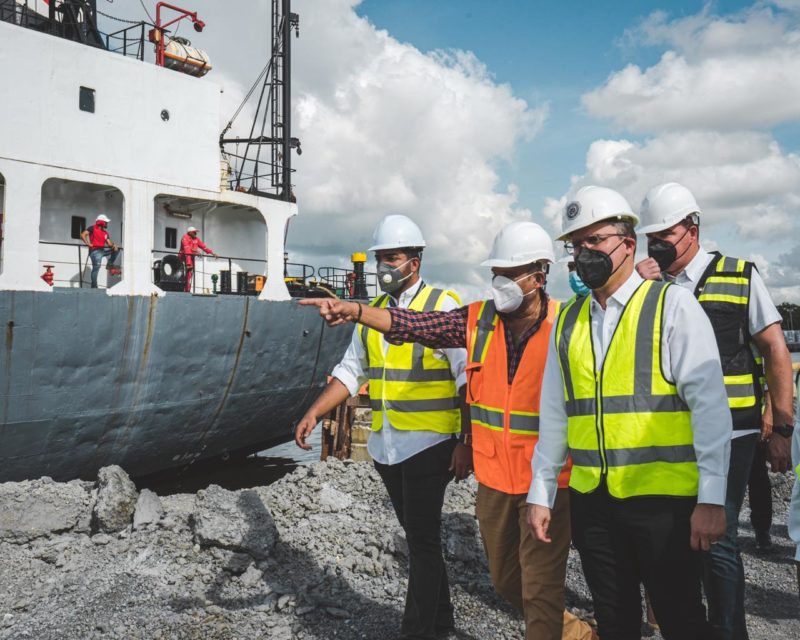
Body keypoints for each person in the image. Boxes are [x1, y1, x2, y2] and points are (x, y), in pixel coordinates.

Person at [301, 221, 595, 640]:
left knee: (540, 584)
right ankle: (578, 633)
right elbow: (414, 328)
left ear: (539, 275)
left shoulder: (565, 325)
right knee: (506, 582)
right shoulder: (477, 321)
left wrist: (461, 442)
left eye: (513, 274)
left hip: (542, 477)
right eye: (498, 273)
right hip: (490, 478)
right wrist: (357, 311)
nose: (503, 282)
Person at [528, 185, 732, 640]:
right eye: (575, 245)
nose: (583, 253)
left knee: (681, 619)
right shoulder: (568, 320)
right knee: (615, 619)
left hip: (664, 504)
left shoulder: (672, 306)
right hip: (593, 503)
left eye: (594, 241)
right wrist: (540, 492)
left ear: (628, 242)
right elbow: (556, 414)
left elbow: (710, 410)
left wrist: (712, 498)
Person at [294, 214, 469, 640]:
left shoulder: (443, 305)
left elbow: (467, 377)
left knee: (423, 543)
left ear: (415, 261)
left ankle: (417, 631)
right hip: (388, 448)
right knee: (420, 540)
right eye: (380, 259)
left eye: (392, 258)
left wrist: (467, 440)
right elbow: (350, 372)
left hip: (431, 444)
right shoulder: (377, 316)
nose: (383, 268)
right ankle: (441, 622)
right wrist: (314, 413)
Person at [635, 182, 794, 640]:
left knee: (718, 539)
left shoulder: (739, 275)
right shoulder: (649, 285)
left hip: (734, 431)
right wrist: (639, 289)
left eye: (666, 232)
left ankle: (728, 632)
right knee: (674, 538)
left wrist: (782, 424)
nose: (658, 243)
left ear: (692, 228)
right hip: (668, 431)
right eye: (651, 236)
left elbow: (775, 349)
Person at [80, 214, 120, 289]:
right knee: (96, 268)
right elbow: (83, 235)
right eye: (106, 222)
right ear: (102, 222)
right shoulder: (92, 228)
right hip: (95, 252)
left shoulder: (105, 233)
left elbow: (109, 243)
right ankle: (94, 287)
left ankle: (109, 264)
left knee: (117, 250)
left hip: (102, 251)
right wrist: (88, 244)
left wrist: (114, 245)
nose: (107, 224)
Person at [179, 226, 217, 292]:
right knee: (182, 273)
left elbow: (204, 247)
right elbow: (186, 248)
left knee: (189, 274)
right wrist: (195, 252)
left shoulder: (196, 239)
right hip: (183, 258)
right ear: (190, 232)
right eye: (194, 232)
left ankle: (187, 290)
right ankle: (183, 289)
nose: (195, 234)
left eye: (196, 232)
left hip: (191, 258)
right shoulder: (185, 237)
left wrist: (213, 253)